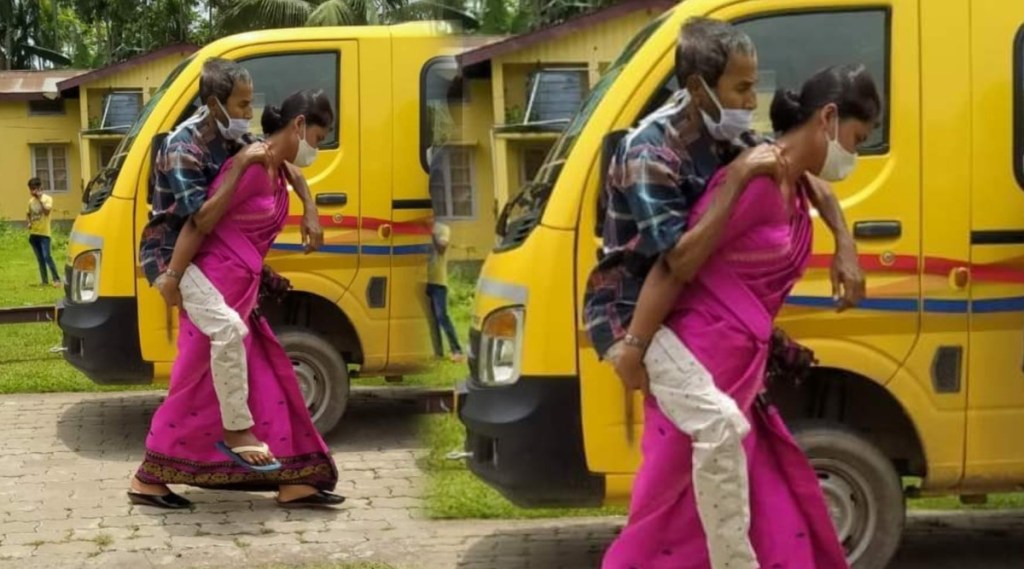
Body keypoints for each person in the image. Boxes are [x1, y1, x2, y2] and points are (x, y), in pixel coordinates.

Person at [584, 18, 866, 569]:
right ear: (697, 88)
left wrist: (844, 241)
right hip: (633, 314)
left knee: (720, 453)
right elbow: (679, 260)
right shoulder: (652, 150)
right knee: (717, 427)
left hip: (683, 313)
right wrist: (632, 348)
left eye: (751, 85)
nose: (749, 100)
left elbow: (809, 176)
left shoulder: (726, 134)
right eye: (739, 88)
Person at [128, 89, 344, 510]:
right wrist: (172, 278)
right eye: (317, 139)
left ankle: (295, 477)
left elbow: (291, 180)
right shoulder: (246, 168)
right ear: (299, 127)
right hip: (216, 286)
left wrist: (310, 207)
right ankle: (148, 478)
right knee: (196, 389)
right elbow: (200, 223)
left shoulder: (276, 167)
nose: (316, 150)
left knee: (270, 384)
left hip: (241, 289)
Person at [427, 220, 465, 362]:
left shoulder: (441, 228)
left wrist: (430, 234)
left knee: (441, 315)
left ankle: (457, 350)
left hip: (438, 281)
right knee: (431, 320)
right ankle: (438, 353)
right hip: (422, 281)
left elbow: (442, 248)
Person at [26, 177, 61, 288]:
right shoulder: (30, 201)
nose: (32, 192)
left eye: (34, 189)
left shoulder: (47, 199)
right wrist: (29, 222)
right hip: (34, 234)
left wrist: (40, 198)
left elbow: (46, 212)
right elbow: (28, 214)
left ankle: (56, 279)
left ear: (40, 188)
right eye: (31, 189)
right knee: (40, 259)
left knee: (47, 257)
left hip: (44, 234)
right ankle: (44, 281)